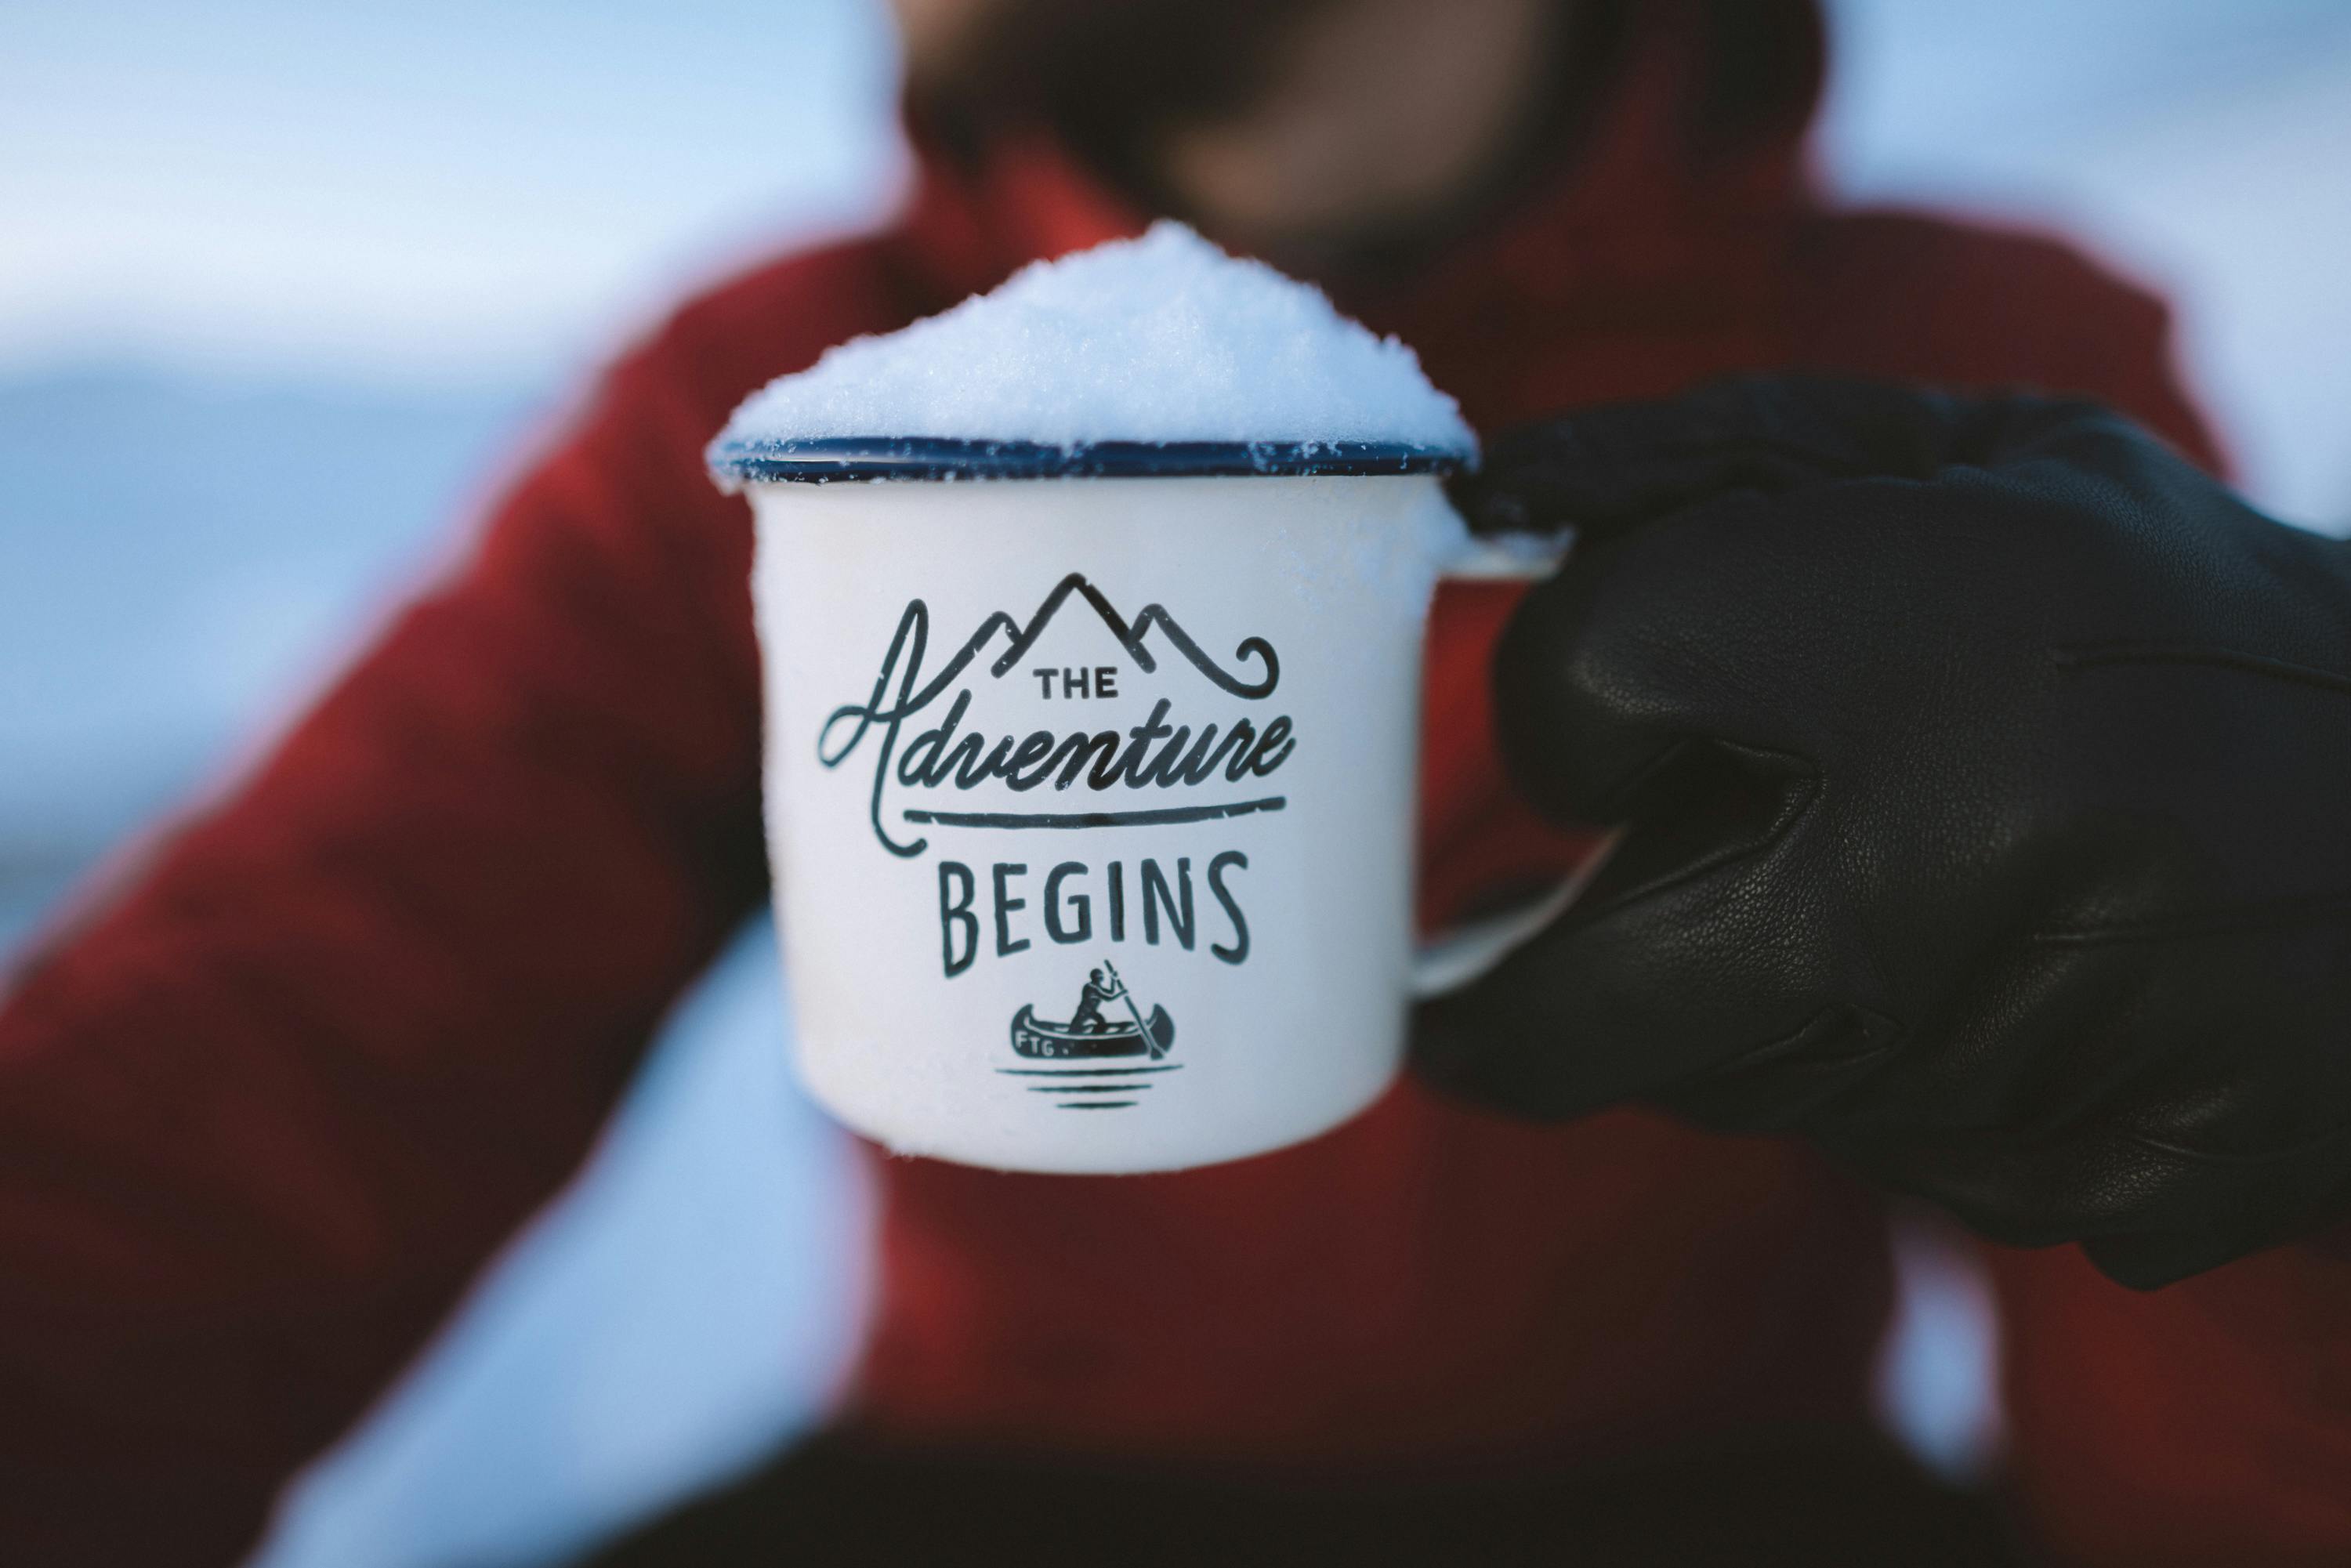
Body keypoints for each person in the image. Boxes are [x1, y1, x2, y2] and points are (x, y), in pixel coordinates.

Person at [3, 0, 2347, 1563]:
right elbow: (267, 1041)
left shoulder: (1980, 381)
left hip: (1727, 1489)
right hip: (974, 1488)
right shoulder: (789, 399)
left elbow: (2193, 1395)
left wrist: (2309, 1093)